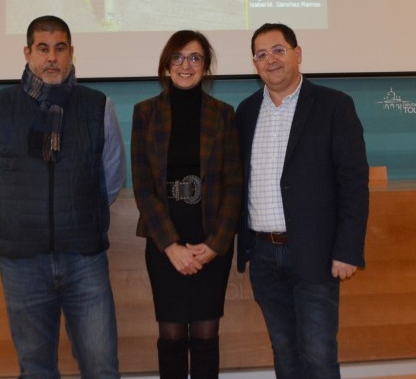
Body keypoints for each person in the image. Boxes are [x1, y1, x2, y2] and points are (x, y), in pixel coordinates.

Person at [0, 15, 125, 379]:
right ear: (27, 53)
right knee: (36, 370)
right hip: (23, 262)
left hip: (85, 258)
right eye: (42, 48)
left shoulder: (99, 106)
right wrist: (14, 214)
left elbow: (111, 180)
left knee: (101, 366)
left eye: (60, 48)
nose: (51, 57)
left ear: (71, 53)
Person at [235, 23, 369, 379]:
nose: (270, 60)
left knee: (319, 354)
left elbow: (353, 183)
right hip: (263, 255)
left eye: (278, 50)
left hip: (316, 253)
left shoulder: (334, 106)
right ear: (254, 64)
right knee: (285, 352)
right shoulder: (246, 112)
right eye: (261, 55)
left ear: (298, 53)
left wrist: (348, 249)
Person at [131, 30, 243, 379]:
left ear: (205, 67)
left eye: (195, 58)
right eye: (177, 57)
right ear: (166, 65)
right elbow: (143, 187)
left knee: (207, 335)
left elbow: (234, 185)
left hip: (211, 242)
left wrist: (215, 245)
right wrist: (171, 246)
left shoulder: (223, 115)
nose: (185, 65)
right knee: (172, 334)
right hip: (165, 244)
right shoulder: (146, 113)